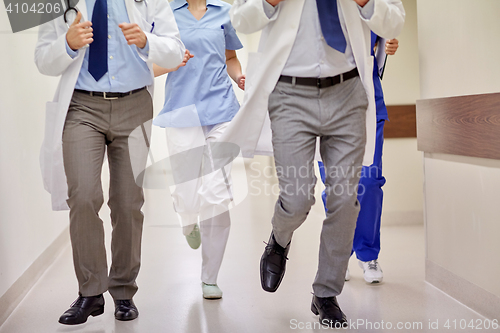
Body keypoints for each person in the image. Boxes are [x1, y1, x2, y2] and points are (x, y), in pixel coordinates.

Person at [220, 0, 405, 327]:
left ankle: (326, 293)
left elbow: (394, 21)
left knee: (346, 200)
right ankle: (279, 238)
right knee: (297, 197)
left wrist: (367, 3)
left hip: (348, 92)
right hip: (290, 94)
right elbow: (240, 19)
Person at [35, 0, 185, 325]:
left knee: (128, 202)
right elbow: (42, 59)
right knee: (83, 195)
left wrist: (148, 42)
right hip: (81, 107)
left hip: (134, 105)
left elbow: (175, 50)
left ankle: (123, 291)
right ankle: (90, 291)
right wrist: (67, 45)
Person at [152, 0, 244, 299]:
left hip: (222, 109)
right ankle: (187, 218)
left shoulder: (224, 11)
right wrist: (171, 62)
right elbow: (148, 64)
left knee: (217, 193)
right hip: (183, 111)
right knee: (188, 194)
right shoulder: (166, 13)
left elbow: (230, 57)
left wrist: (238, 76)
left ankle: (210, 277)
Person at [318, 36, 400, 284]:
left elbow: (383, 39)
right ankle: (339, 255)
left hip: (368, 104)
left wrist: (389, 45)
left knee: (370, 181)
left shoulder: (368, 7)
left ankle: (367, 254)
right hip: (326, 106)